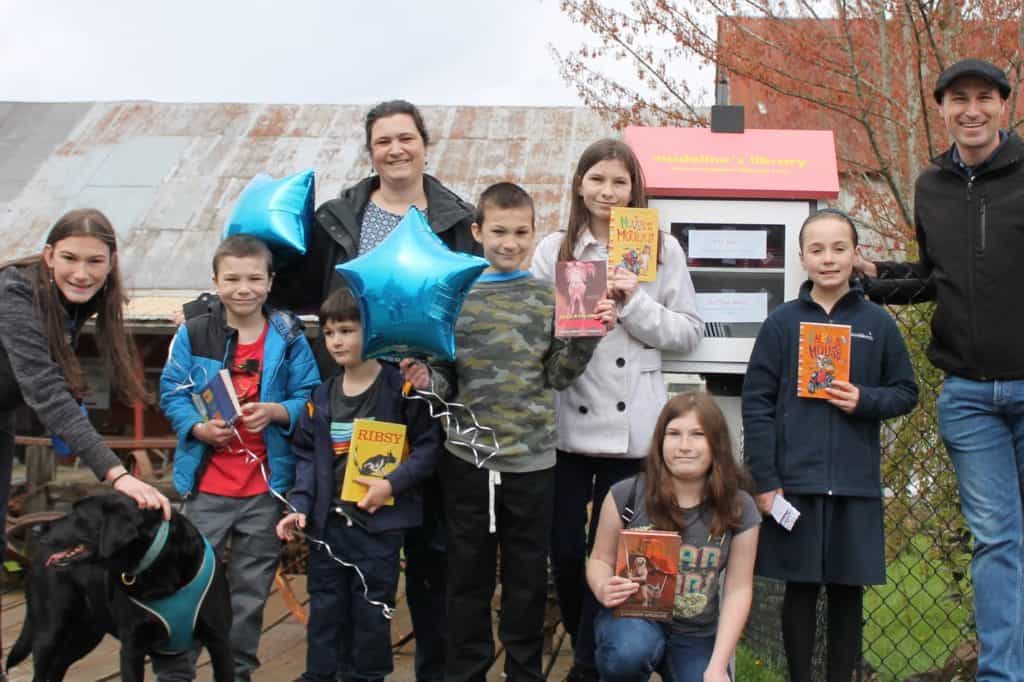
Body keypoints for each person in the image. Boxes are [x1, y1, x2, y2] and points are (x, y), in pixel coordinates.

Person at [402, 182, 616, 682]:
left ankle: (524, 673)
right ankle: (468, 672)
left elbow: (560, 375)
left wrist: (589, 336)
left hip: (534, 461)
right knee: (467, 578)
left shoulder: (553, 296)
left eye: (521, 232)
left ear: (533, 234)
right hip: (468, 461)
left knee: (525, 581)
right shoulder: (453, 297)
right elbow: (443, 380)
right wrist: (423, 380)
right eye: (498, 231)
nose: (510, 242)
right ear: (477, 231)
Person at [857, 58, 1023, 681]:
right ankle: (1003, 675)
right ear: (943, 108)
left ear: (1005, 106)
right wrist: (879, 281)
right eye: (960, 99)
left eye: (985, 98)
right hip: (969, 398)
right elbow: (937, 278)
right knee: (997, 542)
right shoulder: (932, 185)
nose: (972, 110)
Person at [530, 138, 703, 681]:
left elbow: (689, 334)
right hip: (567, 422)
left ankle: (588, 666)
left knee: (618, 549)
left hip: (634, 430)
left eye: (619, 181)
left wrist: (634, 304)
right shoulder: (553, 249)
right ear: (580, 183)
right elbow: (533, 332)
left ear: (636, 189)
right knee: (565, 550)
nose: (607, 191)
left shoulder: (663, 250)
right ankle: (597, 644)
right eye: (597, 179)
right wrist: (575, 320)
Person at [745, 209, 919, 681]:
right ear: (801, 258)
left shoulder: (877, 323)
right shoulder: (781, 324)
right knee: (799, 592)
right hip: (793, 486)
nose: (828, 258)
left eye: (839, 248)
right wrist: (765, 479)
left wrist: (865, 399)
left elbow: (906, 391)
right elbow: (756, 403)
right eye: (817, 249)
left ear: (856, 255)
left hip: (854, 485)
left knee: (847, 592)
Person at [158, 235, 320, 681]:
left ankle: (238, 670)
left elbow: (309, 397)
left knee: (251, 591)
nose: (242, 288)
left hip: (266, 489)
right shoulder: (193, 333)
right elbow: (172, 391)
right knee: (189, 584)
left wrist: (276, 412)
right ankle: (179, 670)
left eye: (254, 278)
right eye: (231, 278)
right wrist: (197, 428)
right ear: (215, 281)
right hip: (207, 486)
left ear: (270, 282)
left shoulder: (288, 337)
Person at [276, 286, 442, 682]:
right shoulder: (320, 396)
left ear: (373, 333)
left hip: (377, 527)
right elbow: (304, 457)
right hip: (326, 527)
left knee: (371, 610)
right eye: (330, 332)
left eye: (347, 330)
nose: (337, 341)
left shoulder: (400, 390)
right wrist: (298, 505)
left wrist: (391, 485)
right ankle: (319, 675)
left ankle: (366, 677)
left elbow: (428, 447)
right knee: (325, 609)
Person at [0, 208, 171, 526]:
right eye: (70, 258)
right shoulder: (15, 293)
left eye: (94, 261)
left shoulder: (85, 297)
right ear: (49, 256)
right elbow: (42, 385)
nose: (82, 273)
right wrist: (117, 473)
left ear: (111, 262)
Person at [587, 391, 760, 682]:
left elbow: (738, 589)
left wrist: (717, 667)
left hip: (695, 633)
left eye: (697, 435)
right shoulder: (626, 495)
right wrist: (603, 586)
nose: (684, 446)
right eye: (674, 433)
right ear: (659, 442)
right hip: (633, 619)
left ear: (716, 444)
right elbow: (600, 558)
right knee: (628, 653)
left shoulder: (739, 507)